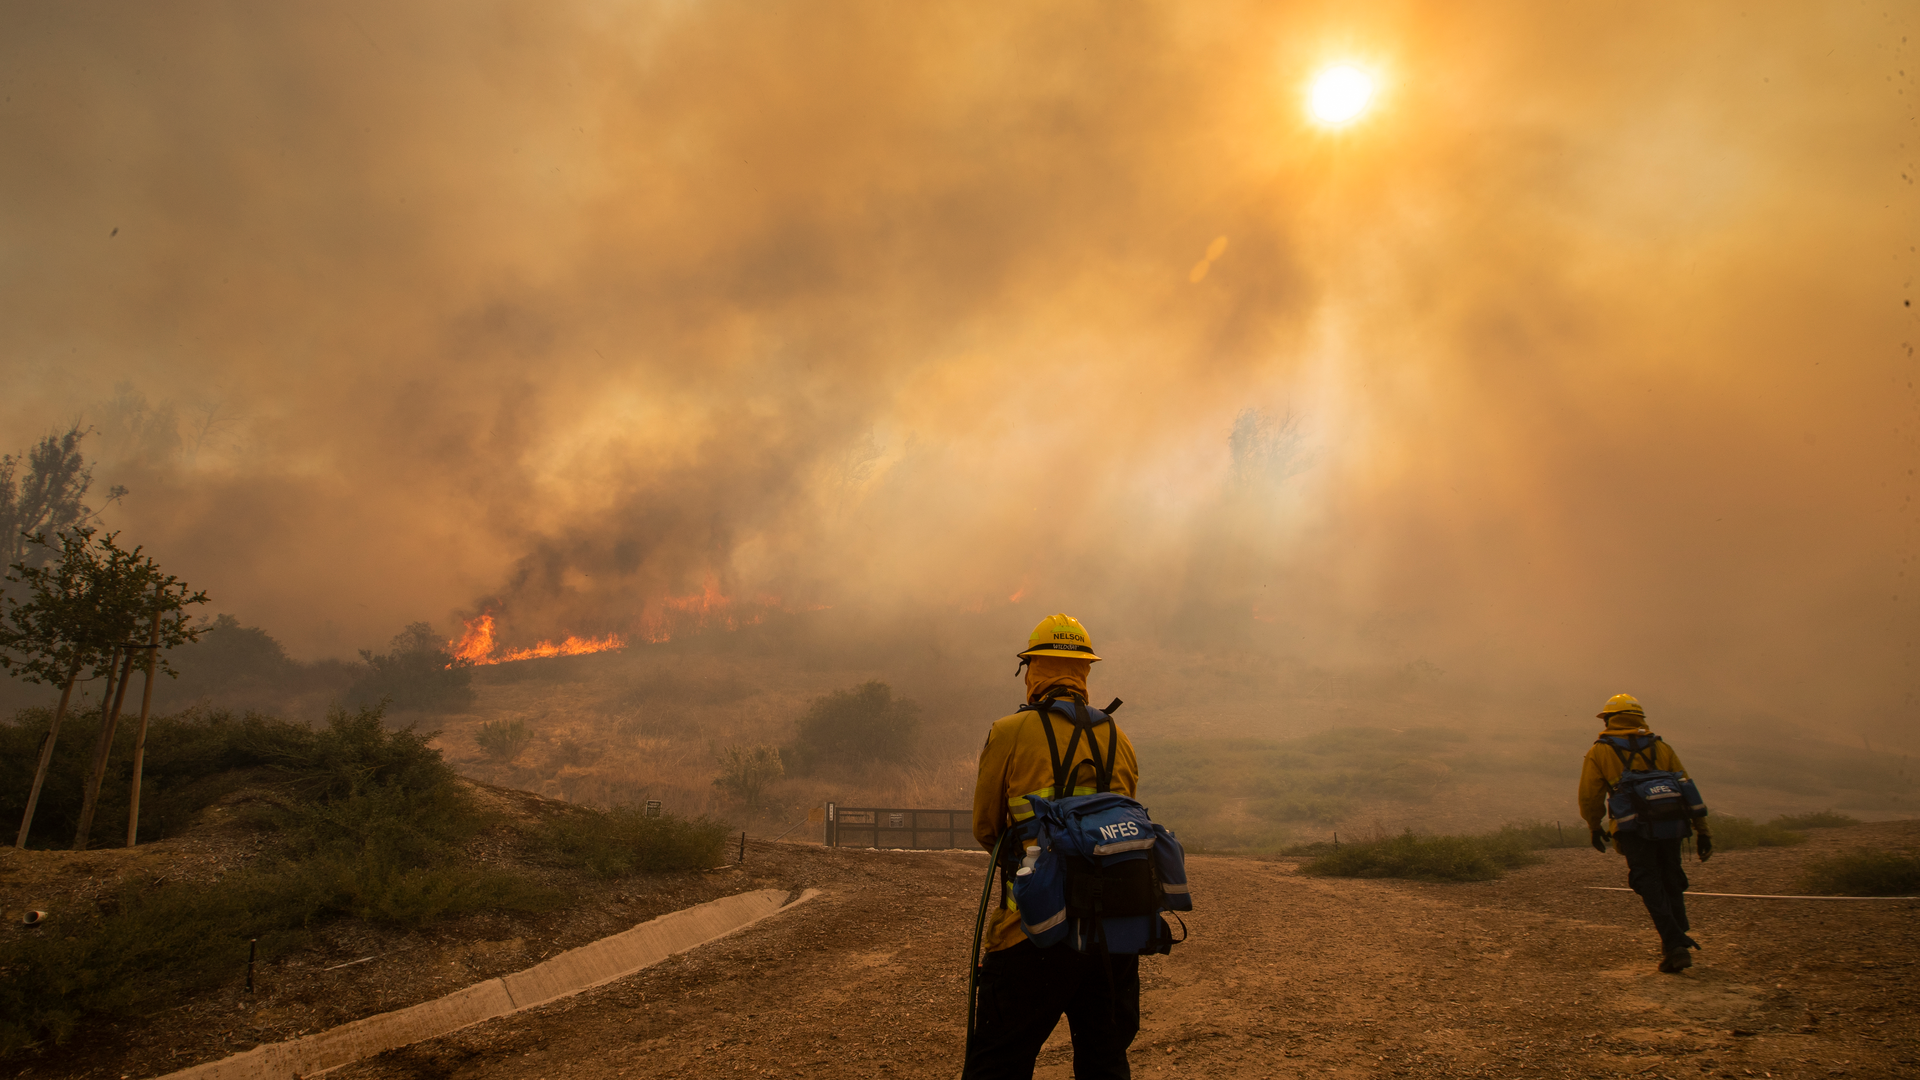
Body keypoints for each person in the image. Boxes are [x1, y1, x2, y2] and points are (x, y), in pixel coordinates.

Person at [965, 613, 1141, 1080]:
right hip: (1112, 935)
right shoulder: (1119, 739)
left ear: (1034, 670)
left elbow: (987, 828)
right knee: (1104, 1061)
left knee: (999, 1062)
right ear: (1084, 672)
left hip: (1030, 931)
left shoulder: (1008, 733)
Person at [1578, 693, 1714, 973]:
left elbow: (1590, 796)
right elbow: (1687, 787)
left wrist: (1594, 826)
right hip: (1672, 824)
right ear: (1639, 718)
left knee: (1647, 881)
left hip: (1633, 829)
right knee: (1671, 877)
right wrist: (1703, 831)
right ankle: (1677, 941)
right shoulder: (1661, 747)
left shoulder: (1600, 751)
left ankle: (1674, 943)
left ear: (1609, 719)